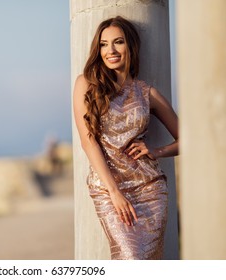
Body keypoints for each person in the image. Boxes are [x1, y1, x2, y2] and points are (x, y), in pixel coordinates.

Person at [73, 16, 179, 260]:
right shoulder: (86, 84)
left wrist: (156, 151)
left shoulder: (146, 92)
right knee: (128, 258)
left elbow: (188, 139)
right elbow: (88, 141)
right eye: (103, 44)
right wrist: (114, 192)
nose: (110, 50)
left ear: (130, 46)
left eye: (118, 42)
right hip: (108, 190)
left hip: (150, 189)